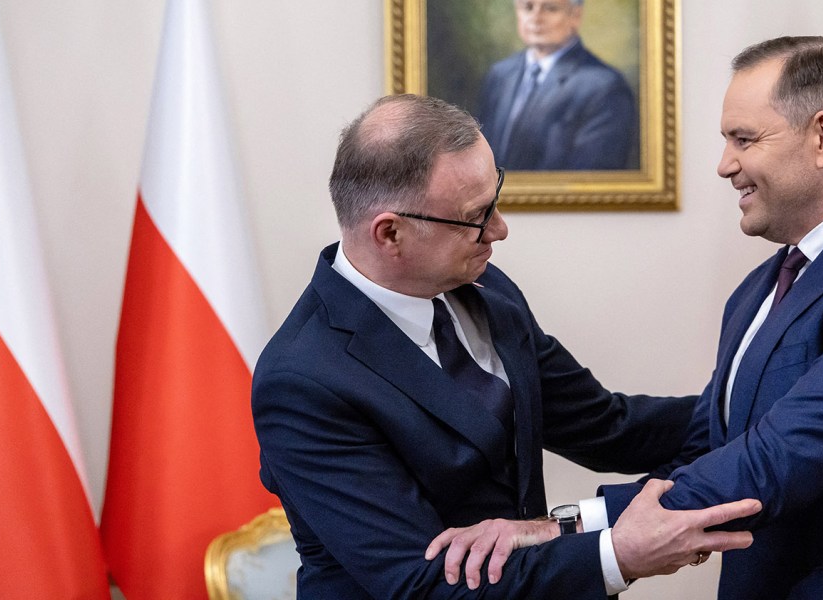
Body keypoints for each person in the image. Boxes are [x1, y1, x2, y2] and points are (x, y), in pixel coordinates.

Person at [435, 36, 823, 599]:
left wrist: (559, 529)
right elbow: (710, 448)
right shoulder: (760, 288)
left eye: (745, 139)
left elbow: (772, 461)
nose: (725, 164)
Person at [251, 93, 759, 598]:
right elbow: (420, 584)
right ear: (390, 233)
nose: (500, 229)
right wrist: (615, 555)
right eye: (476, 216)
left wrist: (763, 407)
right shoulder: (302, 381)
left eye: (496, 195)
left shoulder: (488, 290)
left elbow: (610, 427)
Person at [478, 0, 639, 171]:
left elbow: (592, 178)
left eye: (550, 8)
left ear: (575, 15)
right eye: (527, 6)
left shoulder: (604, 87)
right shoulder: (500, 75)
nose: (535, 18)